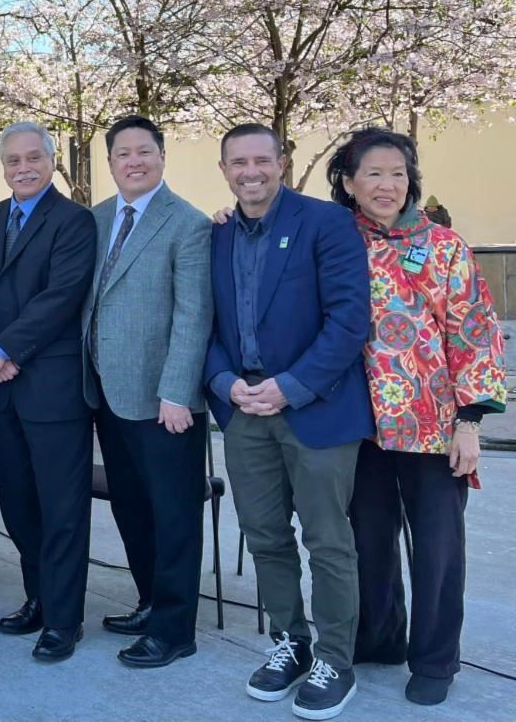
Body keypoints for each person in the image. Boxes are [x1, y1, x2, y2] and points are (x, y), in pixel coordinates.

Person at [326, 127, 507, 706]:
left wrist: (470, 423)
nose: (387, 184)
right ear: (349, 182)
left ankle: (435, 659)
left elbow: (474, 334)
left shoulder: (446, 245)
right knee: (368, 540)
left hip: (434, 425)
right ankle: (379, 638)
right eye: (373, 173)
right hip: (358, 424)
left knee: (437, 548)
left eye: (398, 173)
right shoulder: (331, 238)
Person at [206, 123, 373, 721]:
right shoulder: (216, 234)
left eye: (261, 160)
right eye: (238, 163)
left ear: (282, 161)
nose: (250, 172)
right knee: (266, 537)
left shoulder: (326, 223)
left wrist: (290, 387)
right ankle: (289, 641)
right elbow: (207, 324)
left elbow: (350, 320)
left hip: (318, 411)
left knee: (328, 542)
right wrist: (227, 385)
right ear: (223, 169)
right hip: (244, 413)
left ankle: (335, 659)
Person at [81, 115, 212, 668]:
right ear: (109, 163)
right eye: (122, 154)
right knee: (132, 508)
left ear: (162, 157)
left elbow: (194, 314)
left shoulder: (189, 223)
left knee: (174, 513)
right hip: (108, 394)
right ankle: (149, 601)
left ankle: (175, 628)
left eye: (144, 151)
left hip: (166, 402)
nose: (133, 161)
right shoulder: (97, 218)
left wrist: (178, 392)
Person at [0, 121, 97, 663]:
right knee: (19, 505)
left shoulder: (74, 222)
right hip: (2, 391)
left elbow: (61, 297)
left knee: (62, 508)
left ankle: (65, 621)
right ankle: (38, 599)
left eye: (32, 158)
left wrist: (6, 350)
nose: (23, 168)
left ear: (51, 161)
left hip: (52, 388)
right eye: (12, 160)